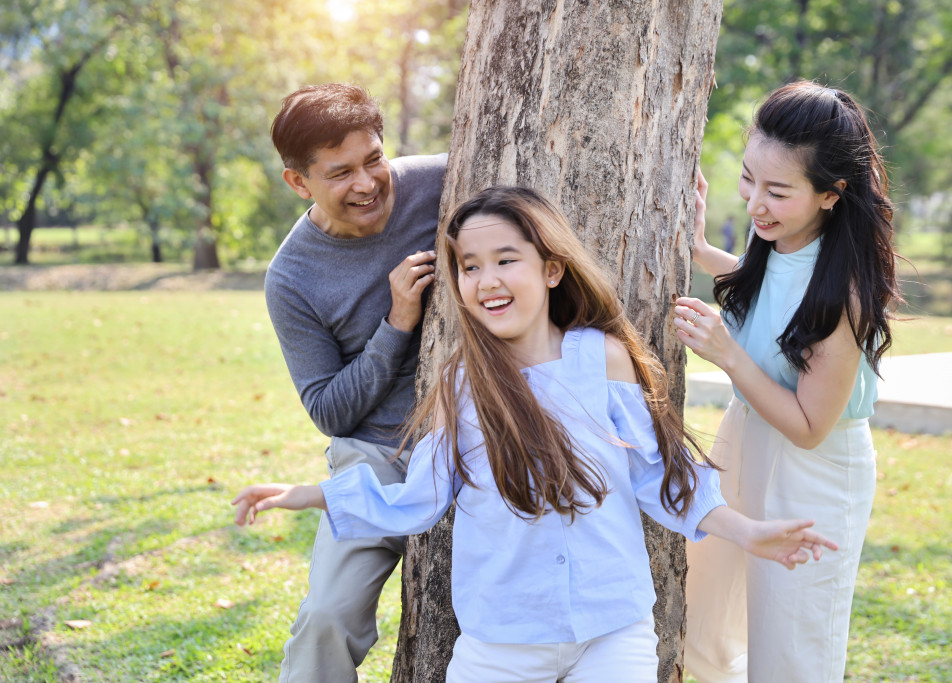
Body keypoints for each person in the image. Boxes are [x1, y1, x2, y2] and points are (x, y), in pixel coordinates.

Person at [235, 186, 838, 683]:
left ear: (551, 270)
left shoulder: (603, 359)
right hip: (502, 636)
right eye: (469, 267)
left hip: (612, 625)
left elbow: (662, 475)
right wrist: (309, 493)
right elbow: (417, 498)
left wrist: (750, 532)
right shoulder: (463, 386)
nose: (486, 280)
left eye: (504, 259)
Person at [673, 81, 903, 682]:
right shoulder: (774, 237)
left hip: (816, 471)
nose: (755, 204)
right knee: (702, 612)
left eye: (778, 191)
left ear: (831, 194)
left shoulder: (846, 289)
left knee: (791, 652)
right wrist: (700, 250)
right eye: (750, 179)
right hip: (745, 438)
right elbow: (767, 291)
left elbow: (808, 427)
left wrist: (727, 354)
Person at [264, 82, 446, 683]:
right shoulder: (291, 278)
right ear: (299, 182)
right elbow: (329, 411)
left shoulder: (443, 180)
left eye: (374, 159)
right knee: (325, 618)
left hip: (476, 434)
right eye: (340, 173)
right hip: (377, 451)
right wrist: (397, 323)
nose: (367, 183)